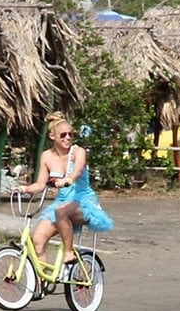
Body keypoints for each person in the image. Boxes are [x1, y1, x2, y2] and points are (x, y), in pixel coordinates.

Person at [14, 111, 113, 265]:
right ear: (52, 136)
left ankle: (69, 252)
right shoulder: (46, 156)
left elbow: (78, 169)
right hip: (61, 202)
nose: (67, 138)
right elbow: (40, 184)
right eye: (63, 135)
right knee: (38, 239)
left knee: (61, 212)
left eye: (70, 134)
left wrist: (69, 179)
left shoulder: (77, 152)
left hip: (82, 201)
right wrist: (23, 189)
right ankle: (43, 281)